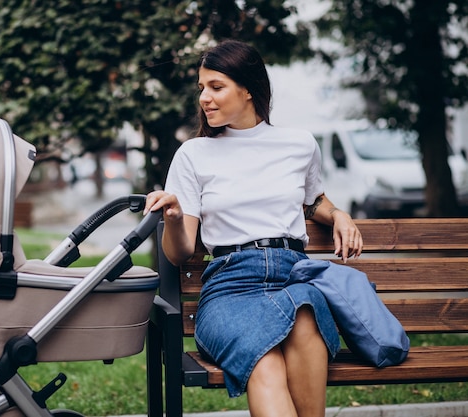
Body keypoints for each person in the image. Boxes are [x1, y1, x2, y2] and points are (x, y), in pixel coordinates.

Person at [143, 39, 364, 417]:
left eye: (216, 87)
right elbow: (179, 253)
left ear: (247, 89)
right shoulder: (193, 154)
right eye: (202, 89)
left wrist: (339, 214)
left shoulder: (298, 144)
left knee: (306, 314)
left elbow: (314, 200)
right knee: (265, 363)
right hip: (230, 287)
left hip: (294, 278)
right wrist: (175, 218)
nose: (204, 99)